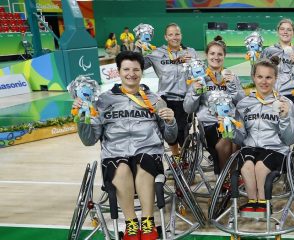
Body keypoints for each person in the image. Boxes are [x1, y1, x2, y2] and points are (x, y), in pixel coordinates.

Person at [76, 51, 177, 240]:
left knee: (144, 163)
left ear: (142, 72)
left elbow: (171, 137)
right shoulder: (103, 101)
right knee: (121, 168)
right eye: (126, 69)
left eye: (136, 69)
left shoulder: (155, 100)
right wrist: (82, 119)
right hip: (115, 154)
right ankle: (131, 224)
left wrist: (171, 122)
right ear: (119, 71)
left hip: (148, 151)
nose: (131, 73)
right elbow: (89, 140)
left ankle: (148, 222)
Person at [233, 59, 294, 213]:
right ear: (253, 77)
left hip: (276, 150)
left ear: (275, 79)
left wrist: (284, 118)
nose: (264, 81)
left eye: (268, 77)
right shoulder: (243, 104)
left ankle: (263, 203)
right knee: (247, 165)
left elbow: (290, 139)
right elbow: (240, 139)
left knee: (261, 166)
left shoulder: (285, 103)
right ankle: (252, 201)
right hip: (250, 147)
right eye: (260, 77)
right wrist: (230, 131)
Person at [184, 36, 245, 175]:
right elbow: (188, 108)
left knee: (237, 138)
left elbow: (242, 104)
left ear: (224, 56)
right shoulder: (198, 78)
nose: (216, 57)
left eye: (219, 54)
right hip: (210, 124)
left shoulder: (231, 77)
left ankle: (232, 177)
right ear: (206, 55)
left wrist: (234, 88)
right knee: (227, 138)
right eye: (212, 53)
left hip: (232, 121)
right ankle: (225, 177)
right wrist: (195, 91)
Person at [144, 23, 199, 160]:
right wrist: (140, 49)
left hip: (185, 99)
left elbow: (199, 73)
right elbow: (140, 65)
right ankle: (176, 157)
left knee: (182, 131)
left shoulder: (191, 52)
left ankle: (184, 158)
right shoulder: (157, 53)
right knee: (169, 130)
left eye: (177, 34)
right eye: (171, 34)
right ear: (165, 37)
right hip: (165, 98)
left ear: (181, 35)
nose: (175, 37)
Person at [260, 18, 294, 102]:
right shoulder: (268, 51)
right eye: (282, 29)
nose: (285, 32)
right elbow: (258, 72)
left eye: (289, 30)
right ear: (278, 32)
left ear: (293, 33)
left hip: (292, 93)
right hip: (270, 93)